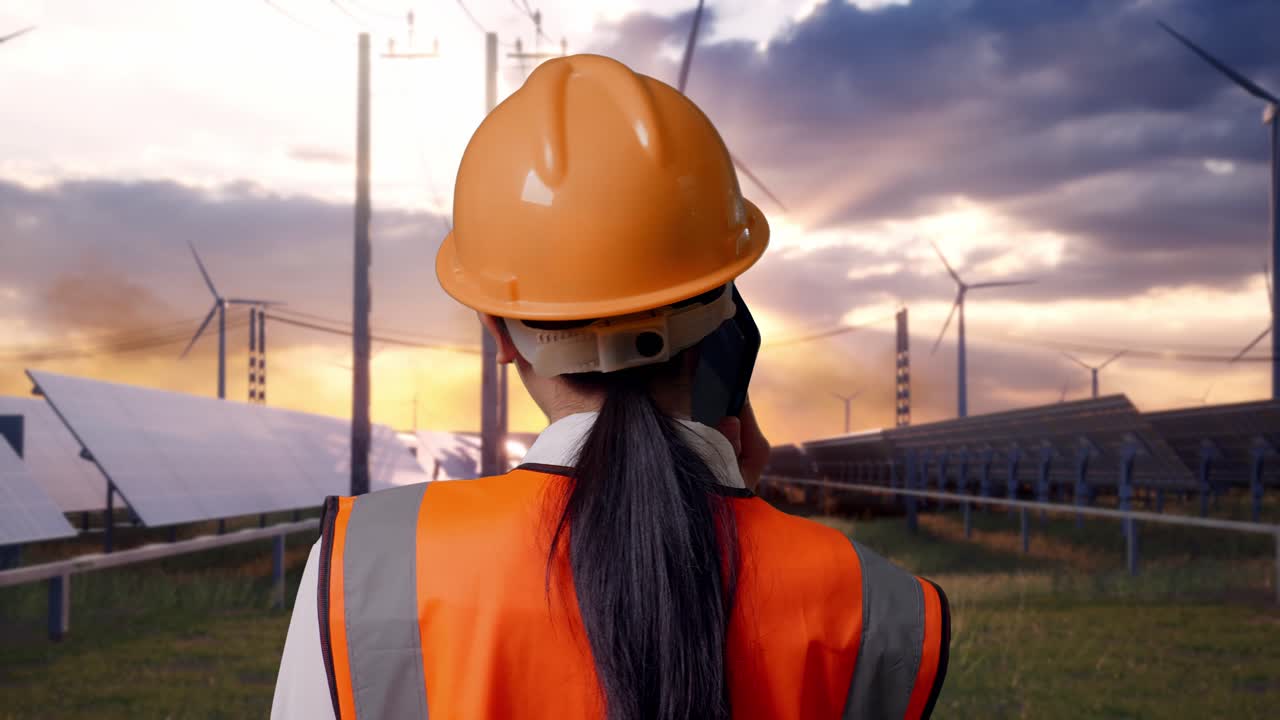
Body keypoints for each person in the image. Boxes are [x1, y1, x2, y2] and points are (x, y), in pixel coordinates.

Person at [272, 53, 949, 720]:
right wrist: (741, 517)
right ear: (723, 307)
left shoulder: (360, 573)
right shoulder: (876, 607)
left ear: (499, 334)